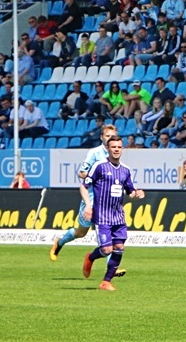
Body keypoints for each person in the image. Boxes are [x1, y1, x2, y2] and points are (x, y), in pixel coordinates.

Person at [49, 124, 125, 281]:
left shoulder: (115, 153)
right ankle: (60, 242)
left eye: (113, 136)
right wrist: (96, 176)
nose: (111, 139)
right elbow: (81, 173)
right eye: (108, 136)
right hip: (91, 199)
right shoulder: (95, 153)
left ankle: (112, 267)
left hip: (107, 202)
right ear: (102, 138)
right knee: (80, 232)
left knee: (108, 232)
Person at [79, 135, 145, 291]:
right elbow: (84, 186)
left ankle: (106, 282)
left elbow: (130, 192)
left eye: (119, 147)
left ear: (122, 149)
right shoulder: (99, 166)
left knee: (119, 247)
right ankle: (90, 257)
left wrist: (137, 194)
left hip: (118, 216)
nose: (116, 149)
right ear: (108, 149)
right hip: (102, 216)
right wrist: (88, 206)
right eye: (113, 147)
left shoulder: (125, 170)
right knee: (107, 249)